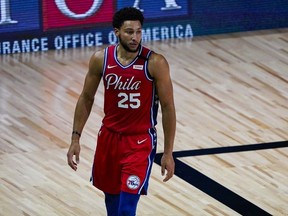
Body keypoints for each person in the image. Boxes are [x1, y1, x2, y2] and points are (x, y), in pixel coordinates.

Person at [67, 7, 176, 216]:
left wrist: (168, 152)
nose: (135, 37)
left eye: (138, 31)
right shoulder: (101, 59)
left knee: (127, 209)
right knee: (112, 203)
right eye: (129, 32)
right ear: (116, 32)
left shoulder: (155, 63)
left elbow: (168, 107)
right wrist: (75, 138)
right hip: (109, 138)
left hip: (139, 142)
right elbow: (86, 98)